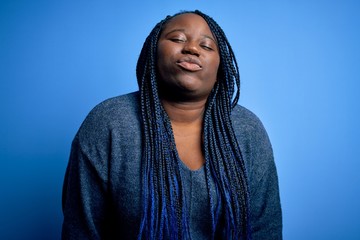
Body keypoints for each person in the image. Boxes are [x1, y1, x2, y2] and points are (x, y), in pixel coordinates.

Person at [61, 10, 282, 240]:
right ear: (152, 52)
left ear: (220, 69)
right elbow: (81, 231)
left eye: (206, 46)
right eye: (177, 39)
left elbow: (265, 230)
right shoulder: (109, 123)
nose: (192, 49)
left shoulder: (247, 130)